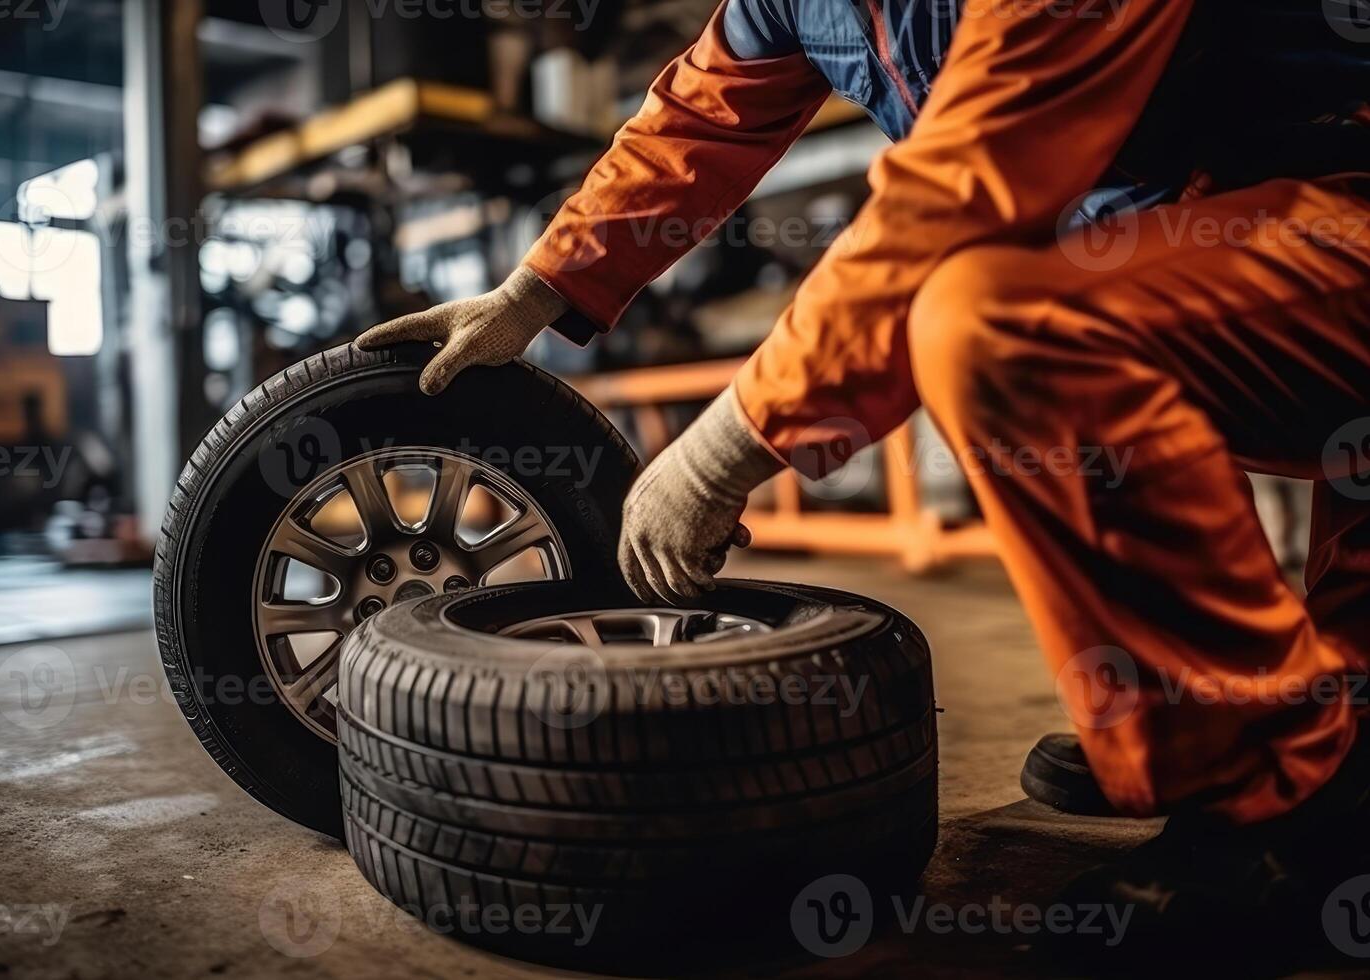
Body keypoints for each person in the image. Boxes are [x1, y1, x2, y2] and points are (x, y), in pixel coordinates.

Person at [356, 0, 1370, 950]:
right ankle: (1279, 726)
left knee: (1004, 323)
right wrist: (536, 290)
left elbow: (966, 184)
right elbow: (701, 113)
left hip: (1335, 217)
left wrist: (729, 440)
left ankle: (1271, 821)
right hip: (1245, 242)